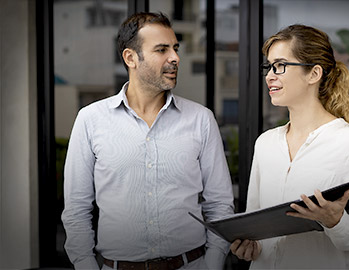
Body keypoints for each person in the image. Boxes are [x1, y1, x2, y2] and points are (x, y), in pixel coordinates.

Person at [61, 12, 234, 270]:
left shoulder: (201, 119)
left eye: (175, 48)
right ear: (131, 58)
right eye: (162, 49)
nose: (175, 58)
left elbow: (220, 205)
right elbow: (76, 210)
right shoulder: (90, 120)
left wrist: (214, 262)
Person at [230, 24, 349, 269]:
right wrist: (252, 247)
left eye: (280, 65)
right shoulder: (266, 143)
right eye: (268, 66)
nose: (270, 75)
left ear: (313, 74)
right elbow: (257, 228)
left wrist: (336, 222)